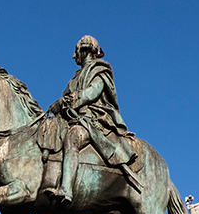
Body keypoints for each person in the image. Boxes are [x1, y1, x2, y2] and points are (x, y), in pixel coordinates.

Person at [47, 35, 142, 202]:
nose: (73, 56)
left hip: (93, 119)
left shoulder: (99, 71)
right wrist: (58, 105)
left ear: (85, 50)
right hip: (73, 118)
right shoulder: (75, 78)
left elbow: (92, 92)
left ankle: (66, 189)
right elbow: (67, 99)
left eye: (76, 51)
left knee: (73, 138)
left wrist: (70, 100)